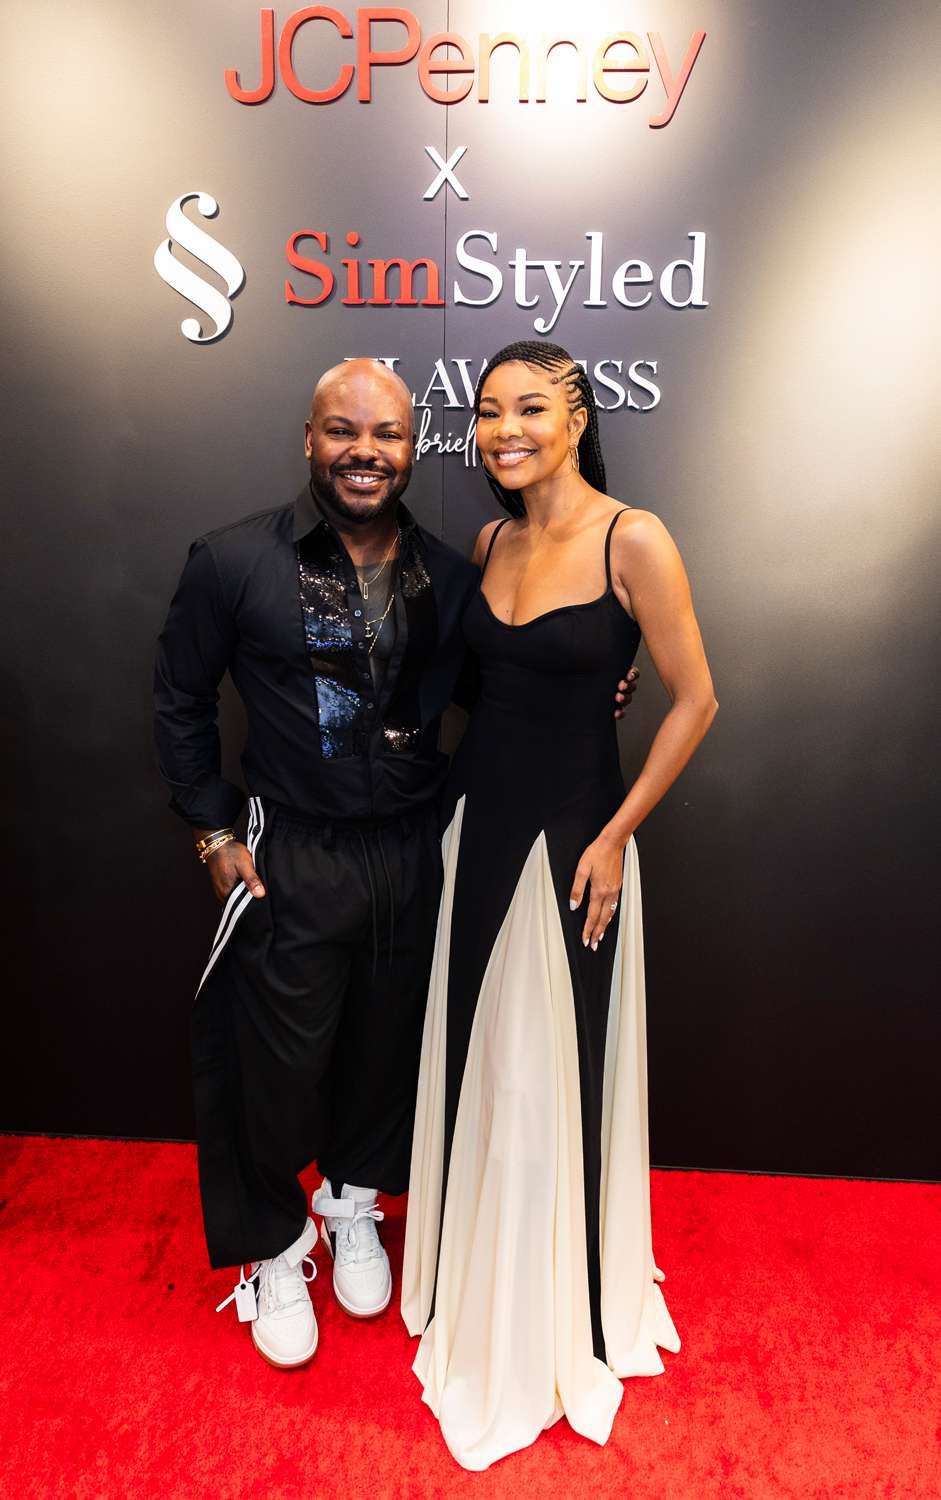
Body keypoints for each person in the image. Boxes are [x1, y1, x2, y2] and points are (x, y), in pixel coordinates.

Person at [154, 358, 638, 1370]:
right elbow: (179, 700)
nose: (364, 452)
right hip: (292, 850)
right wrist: (211, 832)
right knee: (274, 1063)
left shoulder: (454, 578)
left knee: (387, 1050)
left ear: (414, 449)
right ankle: (273, 1248)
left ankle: (353, 1203)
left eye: (386, 435)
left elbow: (504, 679)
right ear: (309, 437)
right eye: (343, 431)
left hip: (418, 847)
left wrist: (602, 678)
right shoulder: (232, 560)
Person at [401, 340, 718, 1469]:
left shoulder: (635, 537)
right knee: (482, 1065)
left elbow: (695, 699)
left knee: (547, 1072)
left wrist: (617, 835)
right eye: (487, 413)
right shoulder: (488, 540)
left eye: (529, 408)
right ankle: (476, 1269)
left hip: (573, 845)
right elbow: (496, 685)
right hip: (477, 831)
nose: (503, 430)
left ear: (577, 417)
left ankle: (546, 1306)